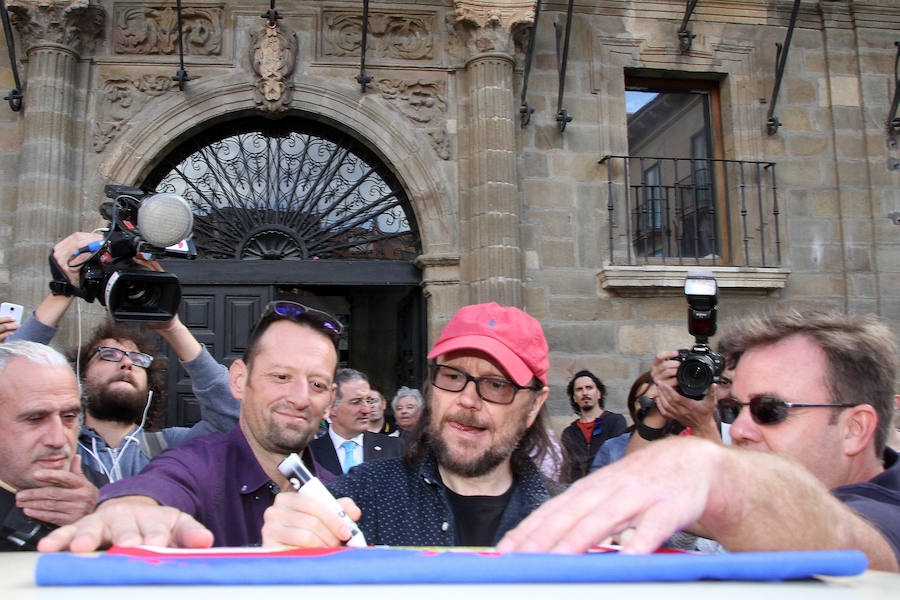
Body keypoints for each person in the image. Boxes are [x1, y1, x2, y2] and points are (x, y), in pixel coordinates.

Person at [497, 311, 900, 573]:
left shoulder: (883, 516)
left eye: (769, 410)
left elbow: (855, 543)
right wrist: (661, 412)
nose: (740, 429)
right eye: (735, 407)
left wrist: (713, 470)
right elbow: (636, 493)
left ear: (855, 428)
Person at [38, 301, 344, 551]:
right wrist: (130, 507)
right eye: (281, 377)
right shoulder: (196, 465)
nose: (300, 398)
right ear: (238, 380)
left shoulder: (342, 492)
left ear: (330, 400)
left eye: (317, 384)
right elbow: (163, 483)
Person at [260, 302, 561, 548]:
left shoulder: (569, 520)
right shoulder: (365, 494)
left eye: (496, 385)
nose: (468, 400)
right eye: (452, 376)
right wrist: (284, 553)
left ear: (534, 405)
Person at [10, 232, 238, 483]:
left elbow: (236, 418)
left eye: (139, 360)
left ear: (150, 387)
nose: (127, 362)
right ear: (80, 376)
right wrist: (64, 290)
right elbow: (7, 376)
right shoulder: (54, 445)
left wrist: (172, 328)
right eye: (109, 355)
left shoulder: (171, 448)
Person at [0, 341, 99, 550]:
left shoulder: (97, 489)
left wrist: (102, 521)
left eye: (69, 416)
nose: (58, 439)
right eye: (35, 419)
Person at [308, 369, 401, 477]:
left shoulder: (394, 448)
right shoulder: (310, 453)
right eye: (356, 402)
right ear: (331, 407)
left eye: (369, 401)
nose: (366, 410)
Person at [560, 370, 627, 482]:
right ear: (574, 398)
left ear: (599, 393)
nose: (585, 393)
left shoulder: (615, 421)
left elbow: (617, 457)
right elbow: (569, 469)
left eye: (589, 388)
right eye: (579, 389)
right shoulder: (569, 433)